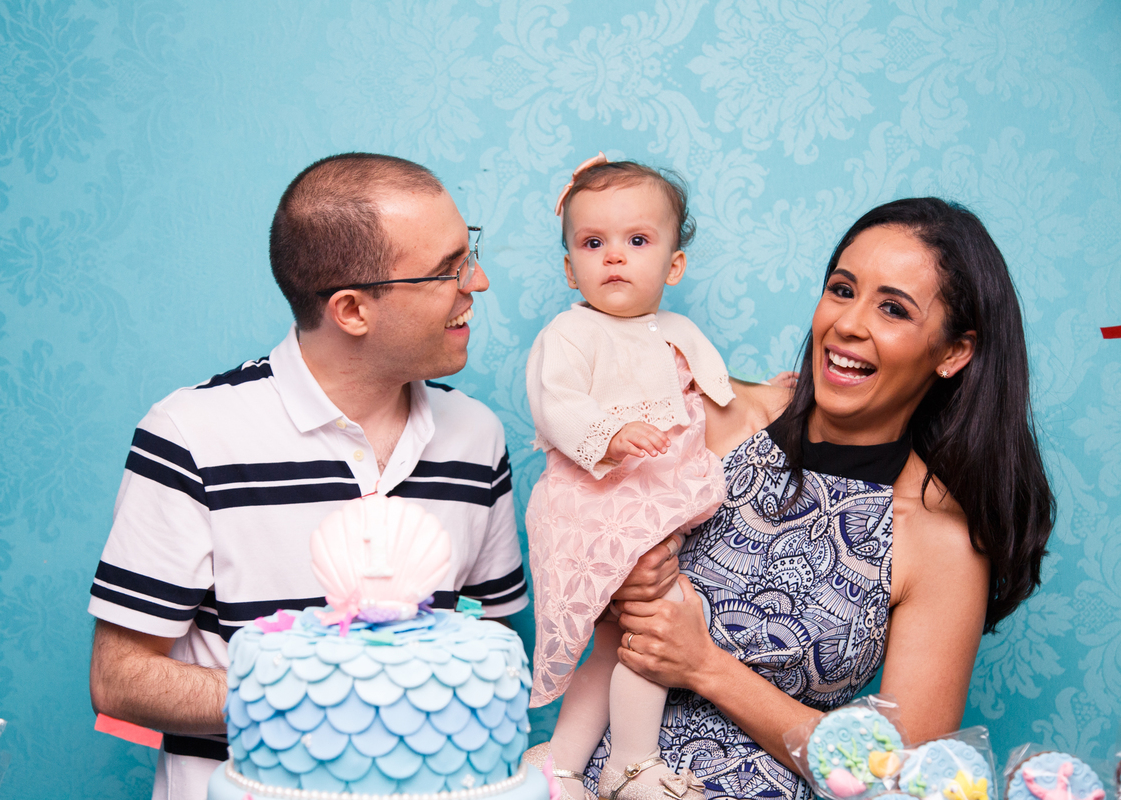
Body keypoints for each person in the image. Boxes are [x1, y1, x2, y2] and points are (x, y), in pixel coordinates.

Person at [87, 153, 530, 800]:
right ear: (351, 310)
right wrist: (331, 690)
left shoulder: (476, 436)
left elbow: (486, 639)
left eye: (470, 253)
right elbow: (121, 679)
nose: (479, 282)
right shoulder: (190, 434)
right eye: (447, 271)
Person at [600, 198, 1055, 800]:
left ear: (953, 352)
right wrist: (616, 588)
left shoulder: (938, 539)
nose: (849, 323)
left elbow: (900, 782)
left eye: (892, 308)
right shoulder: (714, 421)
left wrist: (705, 666)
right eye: (842, 290)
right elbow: (584, 547)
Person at [524, 155, 737, 800]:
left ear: (673, 265)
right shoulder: (571, 331)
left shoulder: (679, 332)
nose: (614, 257)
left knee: (618, 639)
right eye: (593, 244)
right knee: (659, 617)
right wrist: (608, 437)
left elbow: (718, 393)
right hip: (591, 502)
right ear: (570, 268)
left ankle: (558, 764)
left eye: (637, 241)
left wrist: (774, 395)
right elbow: (554, 401)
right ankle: (633, 765)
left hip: (649, 506)